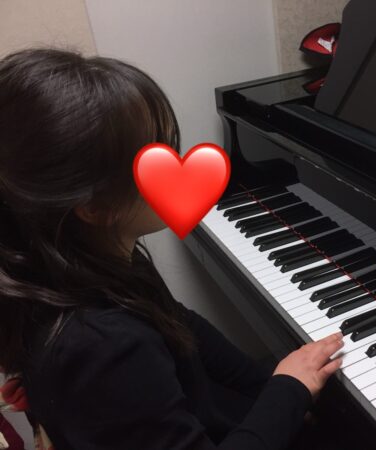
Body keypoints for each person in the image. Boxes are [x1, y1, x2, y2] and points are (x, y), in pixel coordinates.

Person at [0, 48, 344, 450]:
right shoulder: (102, 346)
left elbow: (179, 324)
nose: (174, 163)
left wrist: (270, 389)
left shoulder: (87, 262)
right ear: (94, 207)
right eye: (154, 154)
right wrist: (288, 390)